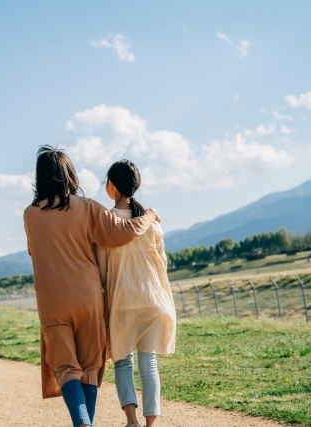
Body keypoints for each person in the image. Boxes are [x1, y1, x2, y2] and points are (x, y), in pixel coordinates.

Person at [23, 146, 160, 427]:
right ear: (70, 175)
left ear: (40, 178)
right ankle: (87, 423)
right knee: (89, 366)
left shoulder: (29, 214)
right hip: (87, 297)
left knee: (65, 366)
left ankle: (83, 422)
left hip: (52, 303)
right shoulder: (85, 207)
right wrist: (148, 216)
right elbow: (122, 232)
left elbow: (33, 251)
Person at [95, 160, 176, 427]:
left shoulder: (106, 224)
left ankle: (131, 422)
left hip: (122, 301)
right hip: (154, 300)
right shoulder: (152, 223)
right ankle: (150, 424)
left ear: (111, 186)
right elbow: (162, 263)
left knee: (122, 364)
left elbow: (103, 271)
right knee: (148, 364)